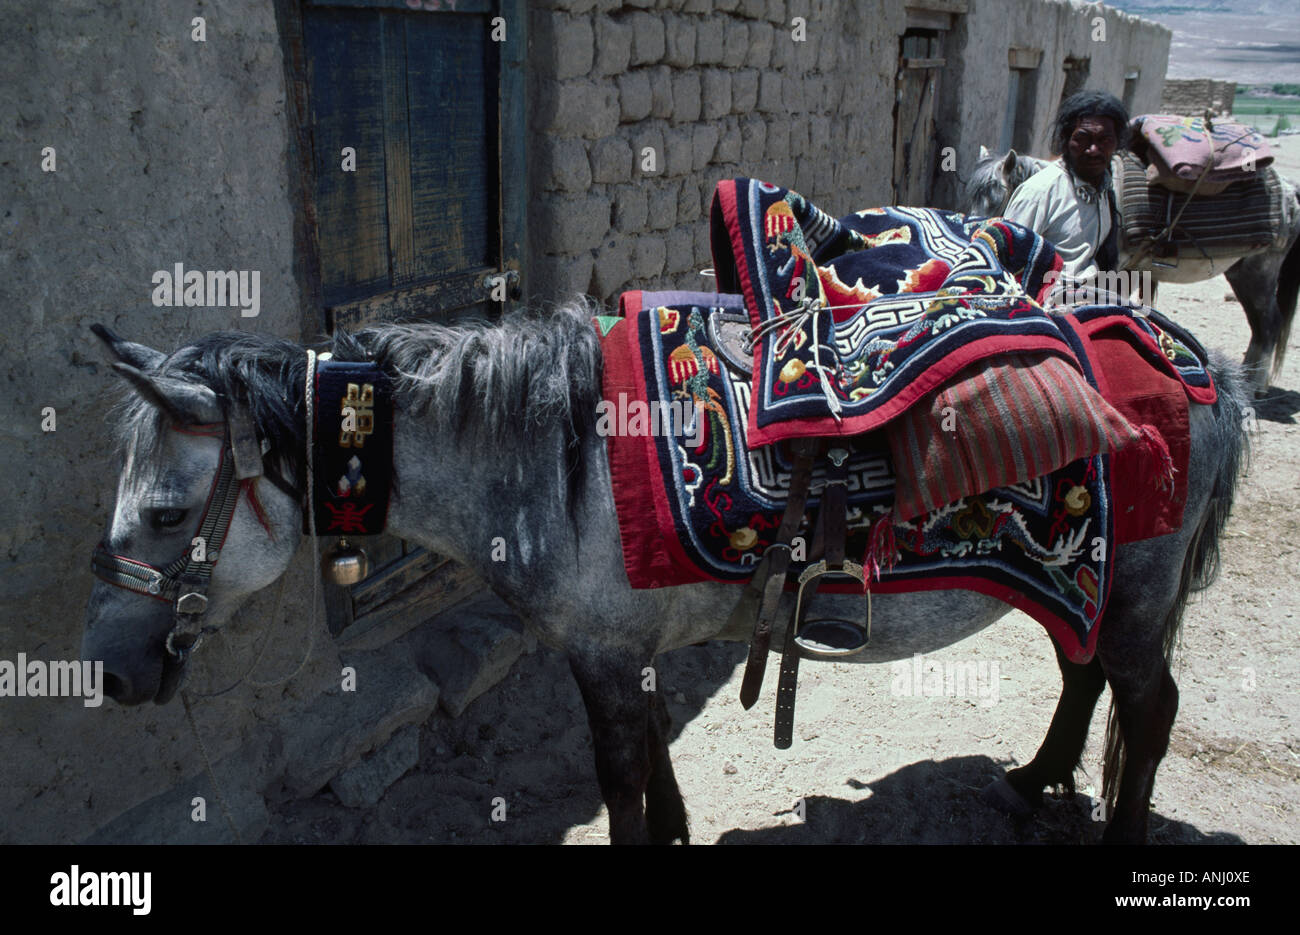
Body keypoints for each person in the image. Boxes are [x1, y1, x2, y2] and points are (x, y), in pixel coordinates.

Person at [1003, 90, 1129, 300]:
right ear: (1065, 139)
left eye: (1104, 140)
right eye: (1083, 139)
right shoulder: (1040, 192)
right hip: (1046, 305)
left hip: (1090, 297)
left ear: (1116, 143)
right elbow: (1007, 262)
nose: (1093, 150)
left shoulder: (1104, 188)